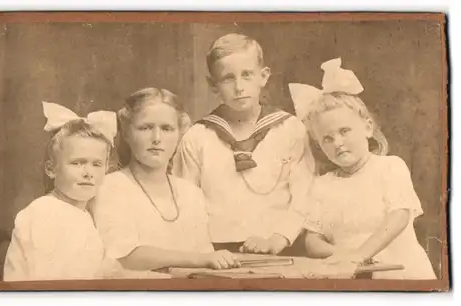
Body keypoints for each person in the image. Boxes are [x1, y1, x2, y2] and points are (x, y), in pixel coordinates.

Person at [289, 57, 437, 279]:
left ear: (367, 128)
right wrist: (344, 255)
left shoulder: (390, 167)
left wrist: (360, 254)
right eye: (327, 138)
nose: (337, 142)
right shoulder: (322, 185)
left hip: (402, 275)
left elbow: (399, 217)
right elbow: (313, 241)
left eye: (345, 131)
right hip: (352, 274)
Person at [171, 33, 317, 255]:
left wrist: (278, 239)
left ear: (264, 76)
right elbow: (185, 203)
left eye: (247, 75)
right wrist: (204, 251)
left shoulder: (290, 129)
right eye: (228, 78)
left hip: (282, 247)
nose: (239, 87)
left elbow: (305, 195)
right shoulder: (197, 136)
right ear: (213, 85)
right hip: (215, 252)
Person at [92, 87, 241, 273]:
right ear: (127, 133)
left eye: (167, 128)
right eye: (145, 128)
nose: (156, 138)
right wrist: (202, 259)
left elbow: (205, 258)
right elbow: (126, 257)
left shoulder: (191, 193)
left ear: (179, 134)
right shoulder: (109, 187)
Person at [3, 102, 121, 281]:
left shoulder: (78, 213)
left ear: (106, 168)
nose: (88, 173)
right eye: (77, 163)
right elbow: (56, 285)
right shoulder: (46, 214)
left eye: (96, 164)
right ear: (51, 170)